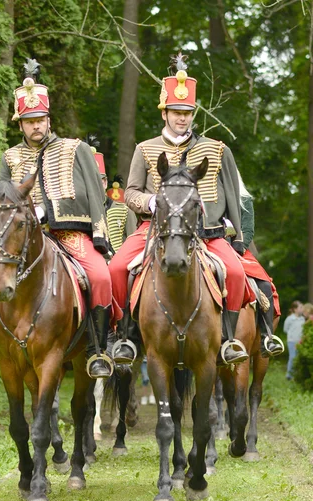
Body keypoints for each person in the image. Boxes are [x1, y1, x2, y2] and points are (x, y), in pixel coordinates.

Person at [0, 60, 113, 378]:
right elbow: (1, 199)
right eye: (29, 121)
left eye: (40, 119)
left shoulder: (76, 149)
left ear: (49, 118)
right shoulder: (10, 157)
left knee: (100, 277)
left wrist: (49, 211)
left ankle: (98, 348)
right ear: (20, 124)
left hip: (68, 234)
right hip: (20, 240)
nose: (36, 126)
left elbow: (93, 197)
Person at [109, 52, 253, 366]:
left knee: (238, 273)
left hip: (208, 234)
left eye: (187, 112)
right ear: (165, 113)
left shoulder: (217, 149)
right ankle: (124, 336)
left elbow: (234, 195)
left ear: (193, 113)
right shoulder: (145, 149)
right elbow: (130, 191)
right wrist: (148, 202)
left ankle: (228, 340)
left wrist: (238, 236)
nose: (182, 118)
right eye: (176, 111)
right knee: (117, 269)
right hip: (154, 230)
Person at [236, 173, 284, 357]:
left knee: (263, 283)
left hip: (238, 248)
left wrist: (238, 246)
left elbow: (247, 229)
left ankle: (266, 337)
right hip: (207, 247)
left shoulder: (244, 199)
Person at [283, 301, 305, 380]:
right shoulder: (290, 319)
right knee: (292, 357)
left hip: (300, 342)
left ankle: (296, 374)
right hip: (292, 341)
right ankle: (289, 375)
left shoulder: (302, 318)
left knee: (298, 358)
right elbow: (285, 329)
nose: (302, 309)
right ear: (295, 309)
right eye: (300, 308)